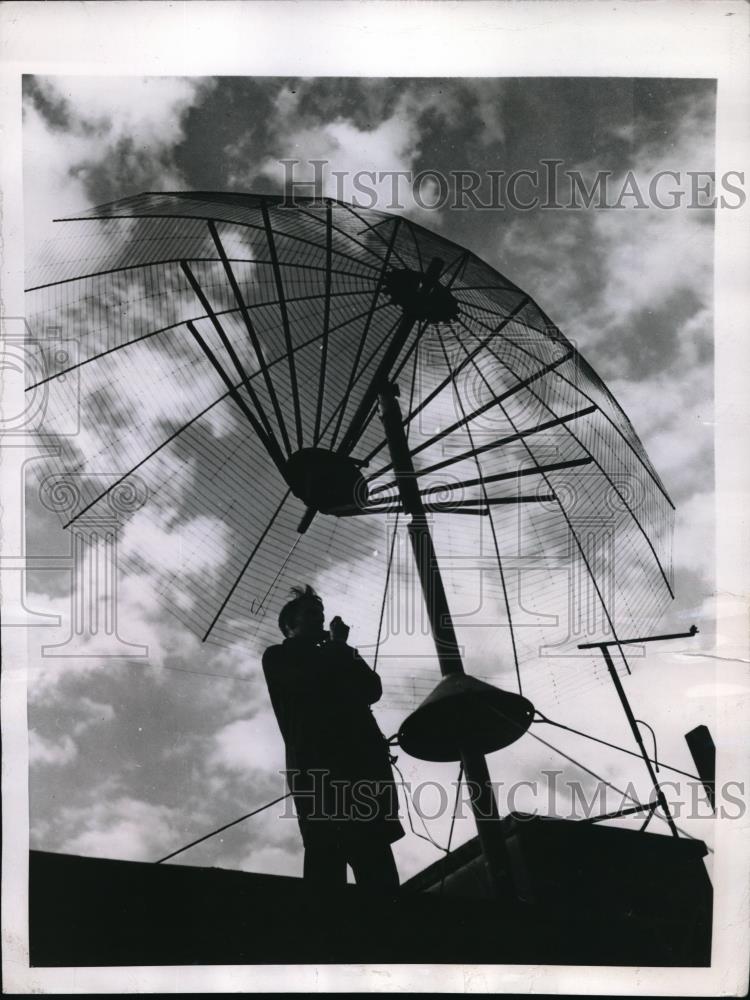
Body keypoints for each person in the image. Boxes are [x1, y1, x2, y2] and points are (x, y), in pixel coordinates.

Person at [262, 584, 404, 893]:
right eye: (311, 615)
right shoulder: (278, 657)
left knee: (376, 863)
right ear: (289, 626)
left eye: (320, 615)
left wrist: (341, 649)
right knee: (327, 862)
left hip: (361, 773)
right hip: (320, 776)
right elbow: (307, 683)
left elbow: (372, 689)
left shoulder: (335, 654)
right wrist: (338, 647)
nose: (319, 620)